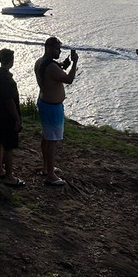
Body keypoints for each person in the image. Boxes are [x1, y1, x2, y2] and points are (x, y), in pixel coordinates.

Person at [34, 36, 78, 186]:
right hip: (52, 107)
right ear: (49, 47)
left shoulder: (41, 62)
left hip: (44, 102)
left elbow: (52, 73)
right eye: (57, 49)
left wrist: (62, 65)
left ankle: (47, 167)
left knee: (46, 138)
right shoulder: (52, 67)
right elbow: (69, 79)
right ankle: (50, 175)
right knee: (52, 141)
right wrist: (75, 63)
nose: (59, 51)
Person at [0, 48, 24, 186]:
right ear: (11, 61)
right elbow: (9, 101)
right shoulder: (7, 79)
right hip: (7, 115)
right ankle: (9, 176)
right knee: (9, 146)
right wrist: (17, 118)